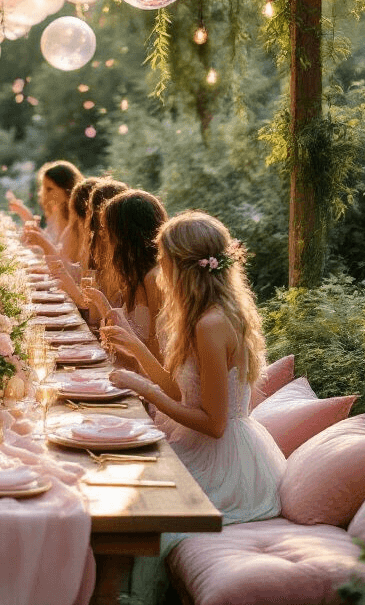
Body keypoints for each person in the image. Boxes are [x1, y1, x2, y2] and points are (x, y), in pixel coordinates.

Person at [106, 211, 285, 535]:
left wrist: (146, 391)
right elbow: (181, 393)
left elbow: (214, 425)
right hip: (204, 445)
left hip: (223, 464)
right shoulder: (203, 315)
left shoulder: (211, 325)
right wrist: (136, 348)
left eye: (163, 259)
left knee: (129, 497)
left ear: (183, 267)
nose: (159, 270)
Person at [84, 189, 167, 355]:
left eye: (107, 229)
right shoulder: (131, 273)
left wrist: (104, 306)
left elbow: (157, 351)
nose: (103, 235)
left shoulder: (154, 278)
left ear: (125, 235)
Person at [8, 160, 82, 247]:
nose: (44, 194)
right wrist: (24, 214)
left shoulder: (76, 220)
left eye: (49, 189)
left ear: (67, 189)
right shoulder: (56, 211)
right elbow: (49, 241)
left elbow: (60, 253)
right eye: (44, 188)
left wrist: (27, 217)